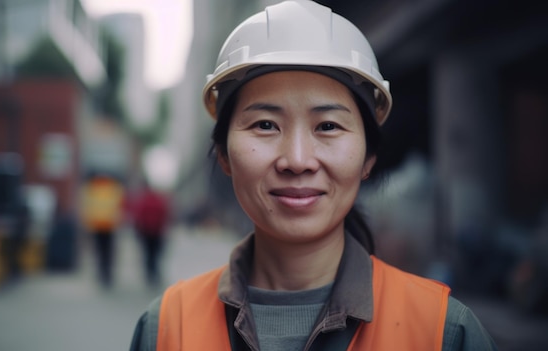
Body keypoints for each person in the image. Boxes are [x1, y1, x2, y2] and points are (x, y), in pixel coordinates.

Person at [130, 1, 498, 350]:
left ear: (368, 157)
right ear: (224, 154)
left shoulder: (444, 334)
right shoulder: (165, 329)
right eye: (265, 124)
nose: (297, 159)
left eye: (327, 126)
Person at [80, 173, 123, 288]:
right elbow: (120, 206)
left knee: (99, 251)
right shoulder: (114, 188)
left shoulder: (91, 188)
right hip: (109, 225)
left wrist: (86, 224)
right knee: (108, 252)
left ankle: (102, 273)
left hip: (97, 225)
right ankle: (106, 274)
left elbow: (87, 206)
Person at [128, 181, 171, 287]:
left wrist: (138, 229)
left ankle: (149, 274)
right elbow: (165, 214)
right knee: (155, 254)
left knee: (147, 254)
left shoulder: (143, 200)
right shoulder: (159, 200)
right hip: (157, 232)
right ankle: (155, 273)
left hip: (146, 232)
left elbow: (138, 215)